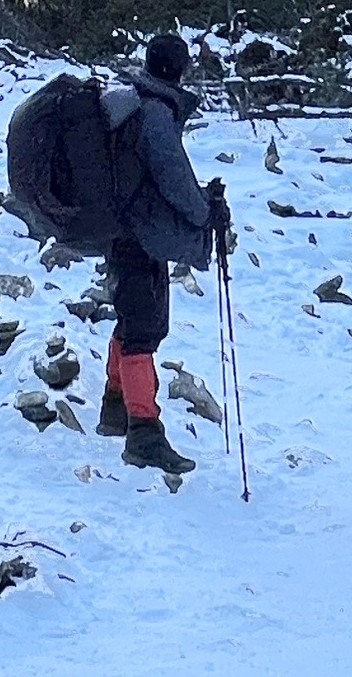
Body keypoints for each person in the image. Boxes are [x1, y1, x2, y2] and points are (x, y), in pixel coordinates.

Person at [95, 31, 233, 473]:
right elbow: (173, 178)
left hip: (125, 229)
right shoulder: (154, 113)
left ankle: (115, 410)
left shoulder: (135, 103)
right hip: (138, 234)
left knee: (133, 318)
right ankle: (144, 434)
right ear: (180, 68)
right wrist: (204, 214)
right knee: (142, 329)